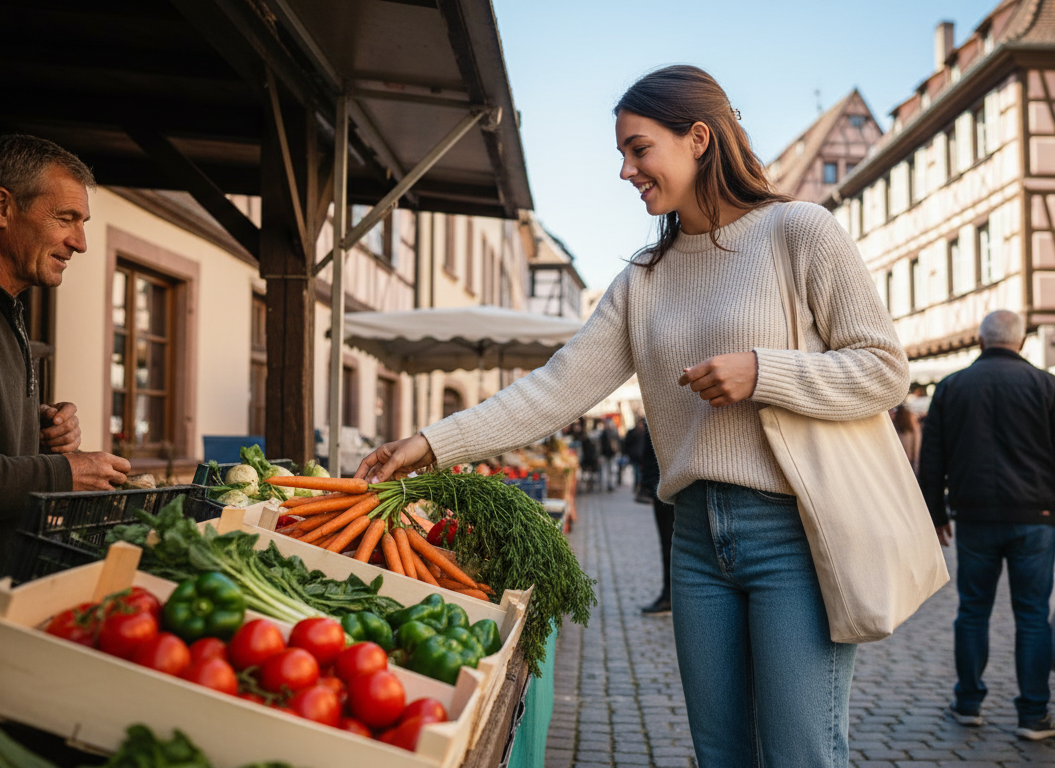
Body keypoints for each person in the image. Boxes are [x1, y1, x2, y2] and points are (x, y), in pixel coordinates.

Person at [354, 65, 908, 767]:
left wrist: (764, 371)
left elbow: (884, 369)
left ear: (698, 138)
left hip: (794, 534)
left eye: (639, 149)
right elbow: (554, 389)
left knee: (800, 753)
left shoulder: (800, 232)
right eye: (622, 153)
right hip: (695, 545)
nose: (625, 171)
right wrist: (430, 443)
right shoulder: (643, 278)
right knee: (720, 755)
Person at [0, 135, 132, 594]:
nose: (79, 242)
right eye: (66, 218)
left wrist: (36, 434)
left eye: (82, 223)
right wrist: (63, 472)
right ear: (2, 208)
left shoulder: (1, 303)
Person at [917, 309, 1055, 741]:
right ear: (1022, 341)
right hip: (1038, 517)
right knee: (1032, 615)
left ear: (980, 341)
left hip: (975, 516)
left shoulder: (952, 387)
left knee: (972, 610)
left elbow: (932, 458)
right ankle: (1033, 713)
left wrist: (934, 515)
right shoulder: (1048, 386)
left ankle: (968, 703)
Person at [637, 425, 673, 615]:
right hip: (662, 483)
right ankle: (669, 594)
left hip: (669, 483)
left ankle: (670, 596)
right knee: (669, 544)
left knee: (670, 544)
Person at [890, 403, 921, 472]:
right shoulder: (911, 419)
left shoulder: (894, 423)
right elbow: (917, 442)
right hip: (908, 458)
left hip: (899, 459)